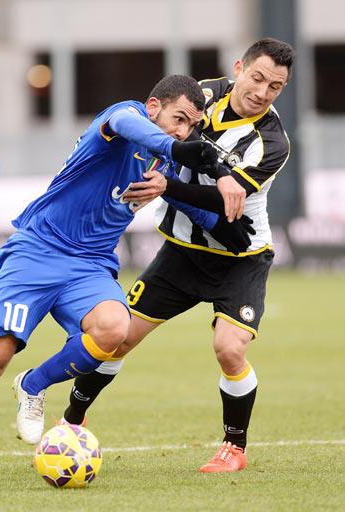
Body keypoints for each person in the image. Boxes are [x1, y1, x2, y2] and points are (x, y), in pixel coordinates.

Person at [0, 73, 251, 484]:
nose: (183, 130)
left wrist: (222, 224)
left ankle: (33, 385)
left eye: (190, 126)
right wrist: (178, 146)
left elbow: (176, 193)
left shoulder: (165, 159)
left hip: (90, 264)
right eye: (178, 118)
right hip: (37, 250)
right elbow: (134, 128)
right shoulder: (123, 116)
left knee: (115, 328)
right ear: (153, 107)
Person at [59, 38, 295, 473]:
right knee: (119, 338)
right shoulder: (200, 95)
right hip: (181, 252)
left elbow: (222, 204)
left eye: (275, 86)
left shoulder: (271, 142)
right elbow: (155, 127)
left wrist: (167, 187)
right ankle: (71, 421)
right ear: (239, 67)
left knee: (229, 349)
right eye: (258, 78)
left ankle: (234, 449)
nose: (262, 91)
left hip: (241, 256)